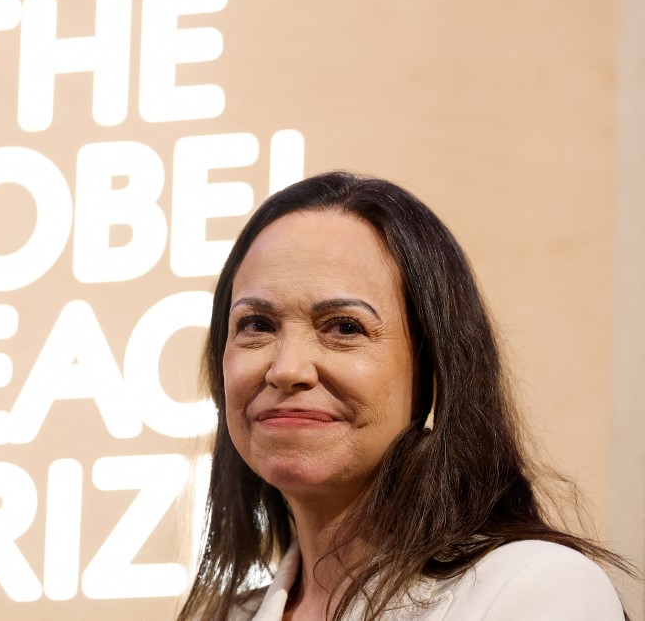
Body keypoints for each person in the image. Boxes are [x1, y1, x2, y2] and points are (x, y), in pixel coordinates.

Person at [177, 172, 633, 620]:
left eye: (344, 327)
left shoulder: (534, 587)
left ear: (433, 366)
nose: (287, 369)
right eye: (257, 325)